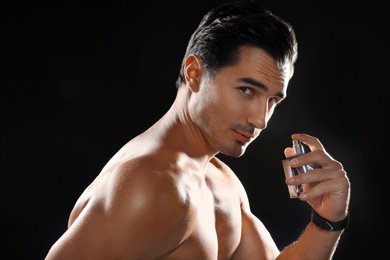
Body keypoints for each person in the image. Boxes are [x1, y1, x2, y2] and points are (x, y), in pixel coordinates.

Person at [45, 0, 351, 259]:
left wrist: (327, 220)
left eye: (272, 100)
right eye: (247, 90)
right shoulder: (151, 185)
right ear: (194, 73)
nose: (261, 120)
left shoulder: (219, 179)